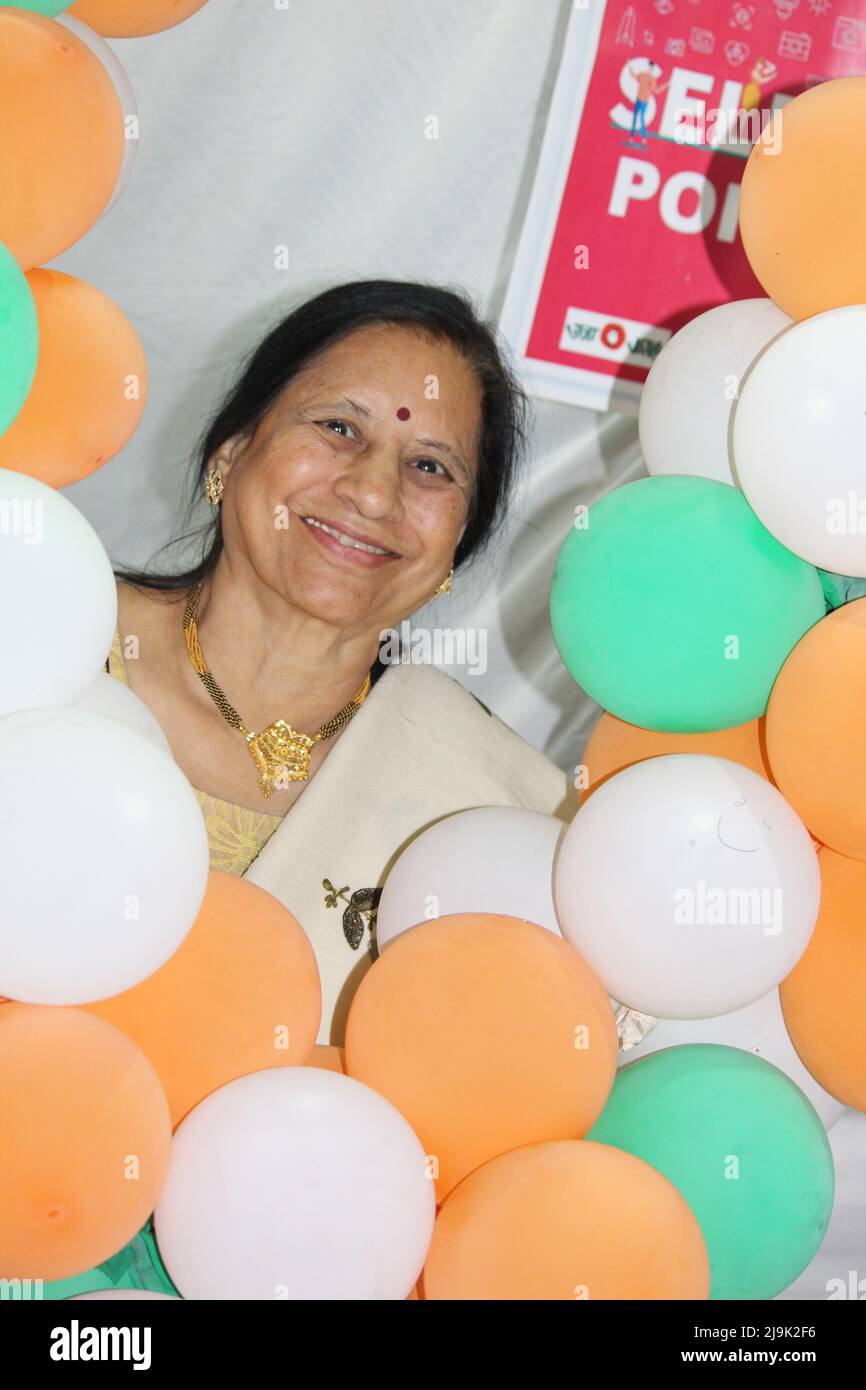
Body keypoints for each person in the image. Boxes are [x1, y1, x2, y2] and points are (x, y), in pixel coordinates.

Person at [105, 277, 579, 1048]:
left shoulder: (496, 810)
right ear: (231, 451)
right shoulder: (46, 644)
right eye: (338, 427)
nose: (371, 493)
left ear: (457, 546)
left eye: (432, 468)